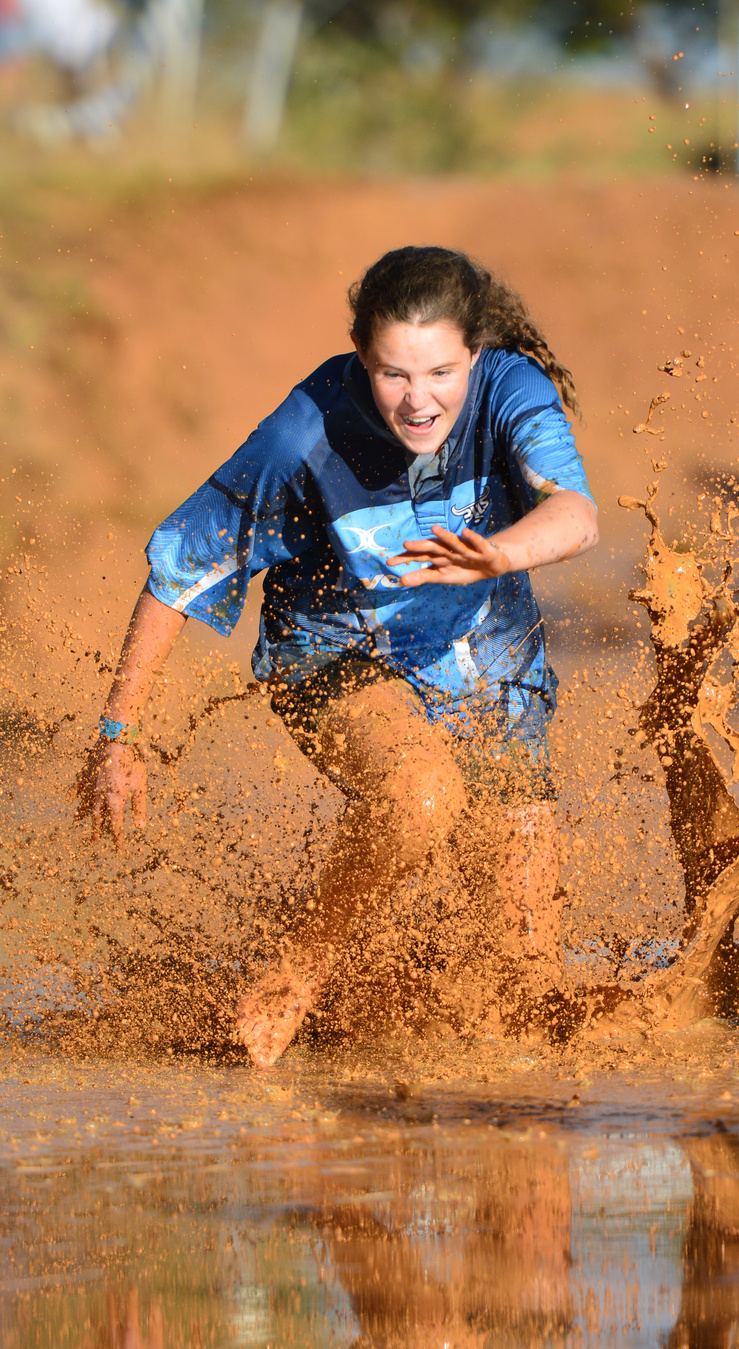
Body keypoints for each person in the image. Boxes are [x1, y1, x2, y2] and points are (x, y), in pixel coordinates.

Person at [78, 245, 598, 1066]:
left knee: (524, 995)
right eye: (394, 374)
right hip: (334, 653)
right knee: (421, 794)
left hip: (489, 669)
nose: (419, 400)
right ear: (361, 356)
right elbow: (178, 572)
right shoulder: (301, 435)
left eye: (440, 373)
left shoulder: (510, 391)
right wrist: (118, 736)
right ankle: (297, 969)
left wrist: (497, 555)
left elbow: (576, 515)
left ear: (476, 353)